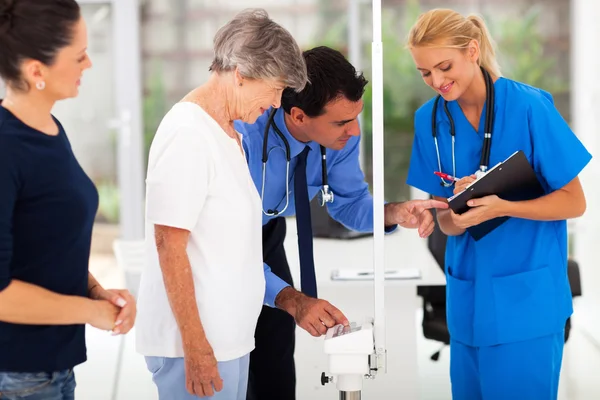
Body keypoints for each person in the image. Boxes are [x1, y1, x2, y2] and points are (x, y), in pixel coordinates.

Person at [235, 45, 448, 400]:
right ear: (299, 116)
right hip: (221, 242)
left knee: (275, 364)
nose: (353, 131)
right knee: (233, 359)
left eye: (355, 117)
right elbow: (226, 251)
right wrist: (291, 298)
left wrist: (392, 212)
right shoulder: (244, 136)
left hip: (267, 233)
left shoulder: (342, 132)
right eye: (341, 122)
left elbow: (348, 204)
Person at [405, 8, 591, 400]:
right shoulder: (430, 120)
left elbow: (575, 201)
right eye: (425, 73)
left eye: (444, 66)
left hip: (527, 305)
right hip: (466, 304)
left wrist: (503, 206)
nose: (436, 81)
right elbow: (447, 223)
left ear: (472, 50)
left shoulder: (529, 107)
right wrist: (457, 212)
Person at [134, 9, 309, 400]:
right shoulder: (188, 133)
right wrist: (196, 347)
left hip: (229, 341)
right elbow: (169, 244)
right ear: (241, 74)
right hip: (195, 348)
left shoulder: (230, 135)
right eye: (276, 89)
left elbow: (231, 251)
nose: (278, 103)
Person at [0, 0, 137, 399]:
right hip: (18, 375)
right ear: (36, 70)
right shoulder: (6, 147)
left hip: (55, 366)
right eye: (78, 55)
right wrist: (91, 311)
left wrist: (96, 291)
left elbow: (45, 250)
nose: (89, 64)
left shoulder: (50, 128)